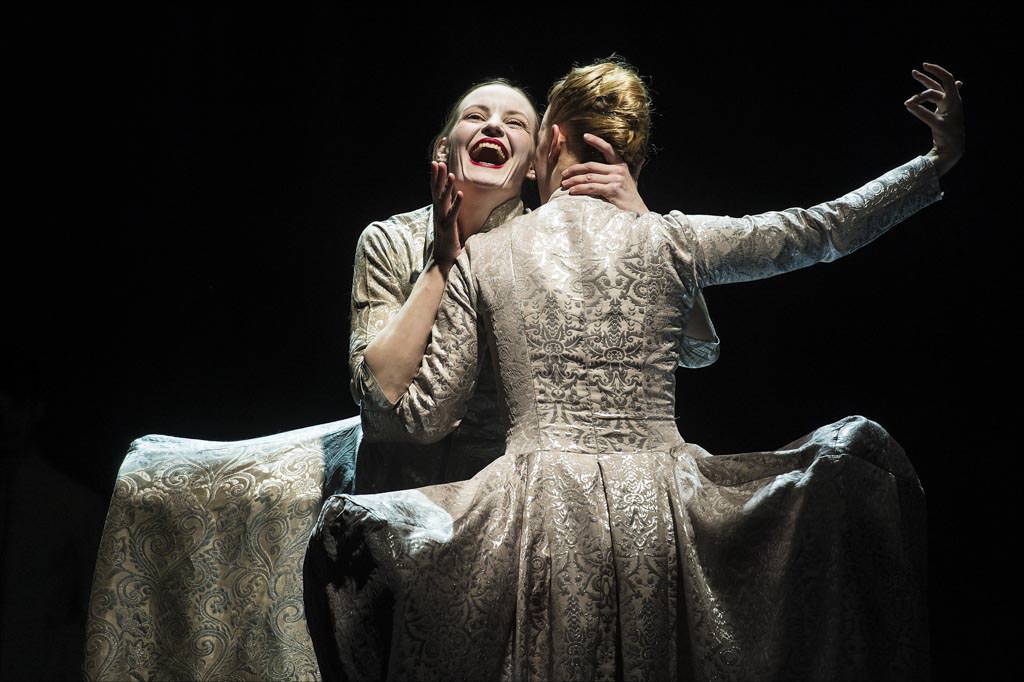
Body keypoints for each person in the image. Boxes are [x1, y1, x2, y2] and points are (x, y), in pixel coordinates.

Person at [307, 58, 963, 681]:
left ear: (551, 138)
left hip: (536, 511)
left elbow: (423, 419)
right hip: (665, 509)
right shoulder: (669, 238)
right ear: (630, 155)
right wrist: (935, 163)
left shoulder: (485, 254)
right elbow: (818, 231)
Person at [348, 78, 718, 493]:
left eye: (516, 123)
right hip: (396, 487)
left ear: (532, 163)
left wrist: (643, 222)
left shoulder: (549, 248)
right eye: (475, 116)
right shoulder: (390, 240)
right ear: (441, 148)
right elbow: (376, 400)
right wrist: (441, 265)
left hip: (505, 493)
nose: (493, 127)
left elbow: (695, 350)